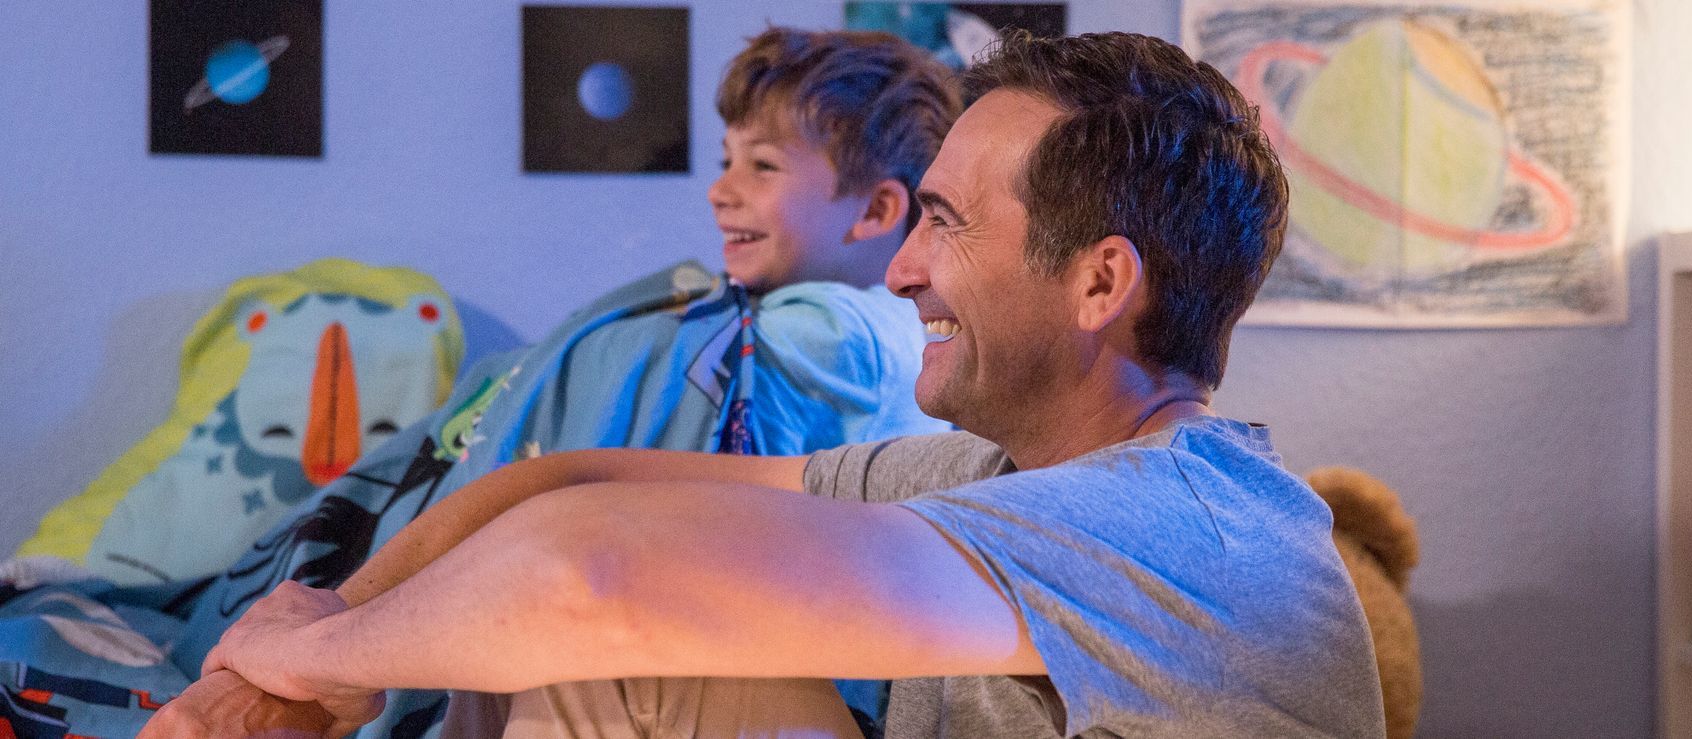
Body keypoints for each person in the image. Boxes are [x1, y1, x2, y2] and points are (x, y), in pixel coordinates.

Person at [144, 30, 1385, 738]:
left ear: (1099, 280)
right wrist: (306, 660)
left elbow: (597, 572)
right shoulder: (982, 473)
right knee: (613, 666)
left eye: (946, 223)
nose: (900, 270)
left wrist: (323, 659)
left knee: (611, 626)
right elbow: (564, 485)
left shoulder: (1185, 528)